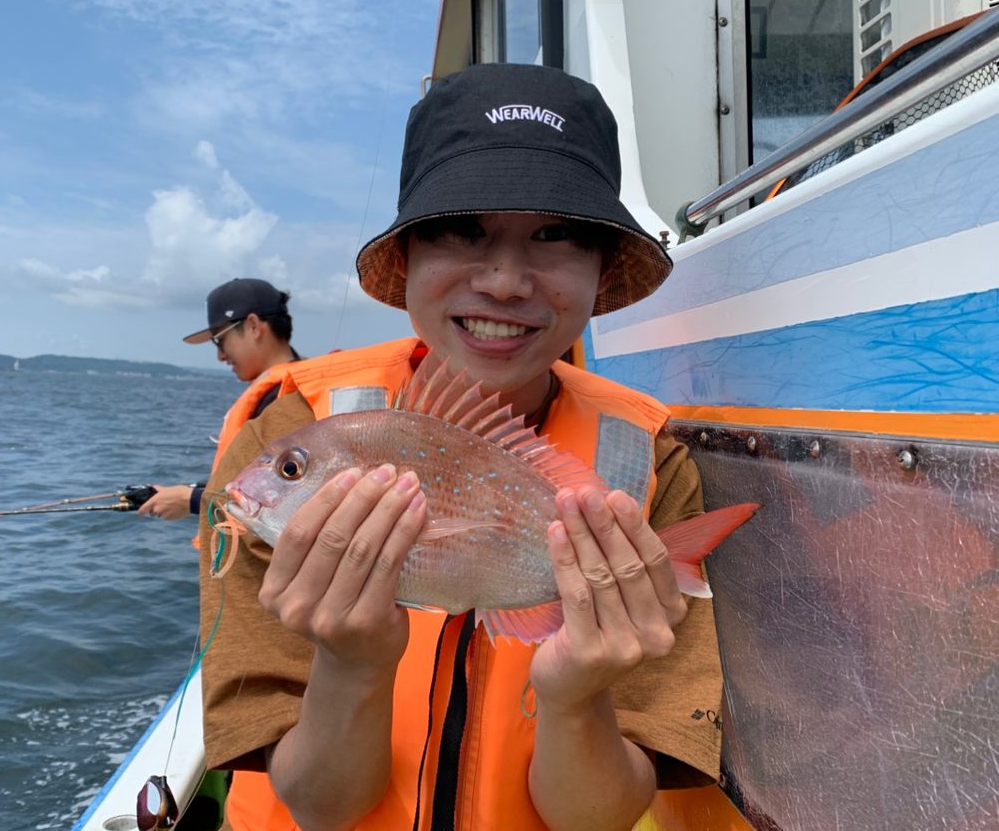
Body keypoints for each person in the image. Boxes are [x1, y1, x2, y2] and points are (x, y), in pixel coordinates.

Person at [196, 64, 725, 831]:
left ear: (602, 268)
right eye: (460, 228)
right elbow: (320, 804)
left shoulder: (651, 463)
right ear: (406, 255)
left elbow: (595, 819)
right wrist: (351, 661)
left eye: (556, 233)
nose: (505, 281)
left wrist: (575, 694)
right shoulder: (283, 434)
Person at [138, 278, 301, 520]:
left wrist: (190, 500)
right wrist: (192, 492)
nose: (220, 356)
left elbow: (280, 496)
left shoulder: (286, 398)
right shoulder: (293, 388)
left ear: (253, 326)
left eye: (220, 340)